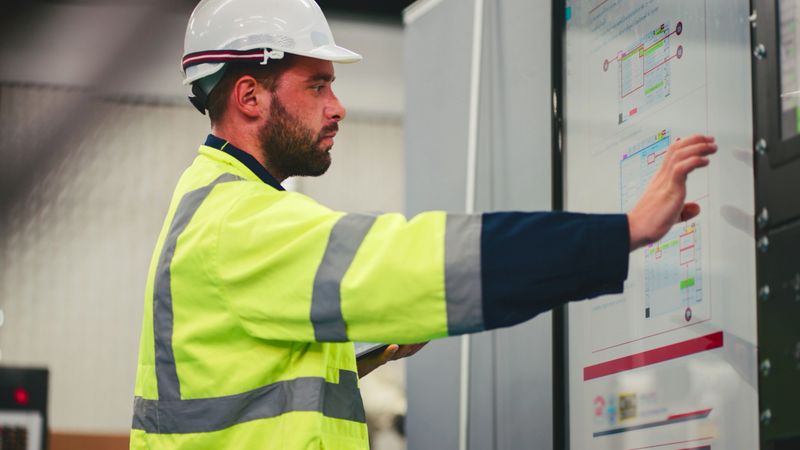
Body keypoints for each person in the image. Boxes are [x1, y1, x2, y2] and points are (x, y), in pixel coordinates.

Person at [129, 0, 718, 448]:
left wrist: (370, 352)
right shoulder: (240, 223)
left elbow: (245, 389)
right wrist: (623, 232)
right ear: (251, 96)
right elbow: (415, 256)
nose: (337, 106)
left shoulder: (211, 204)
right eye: (318, 84)